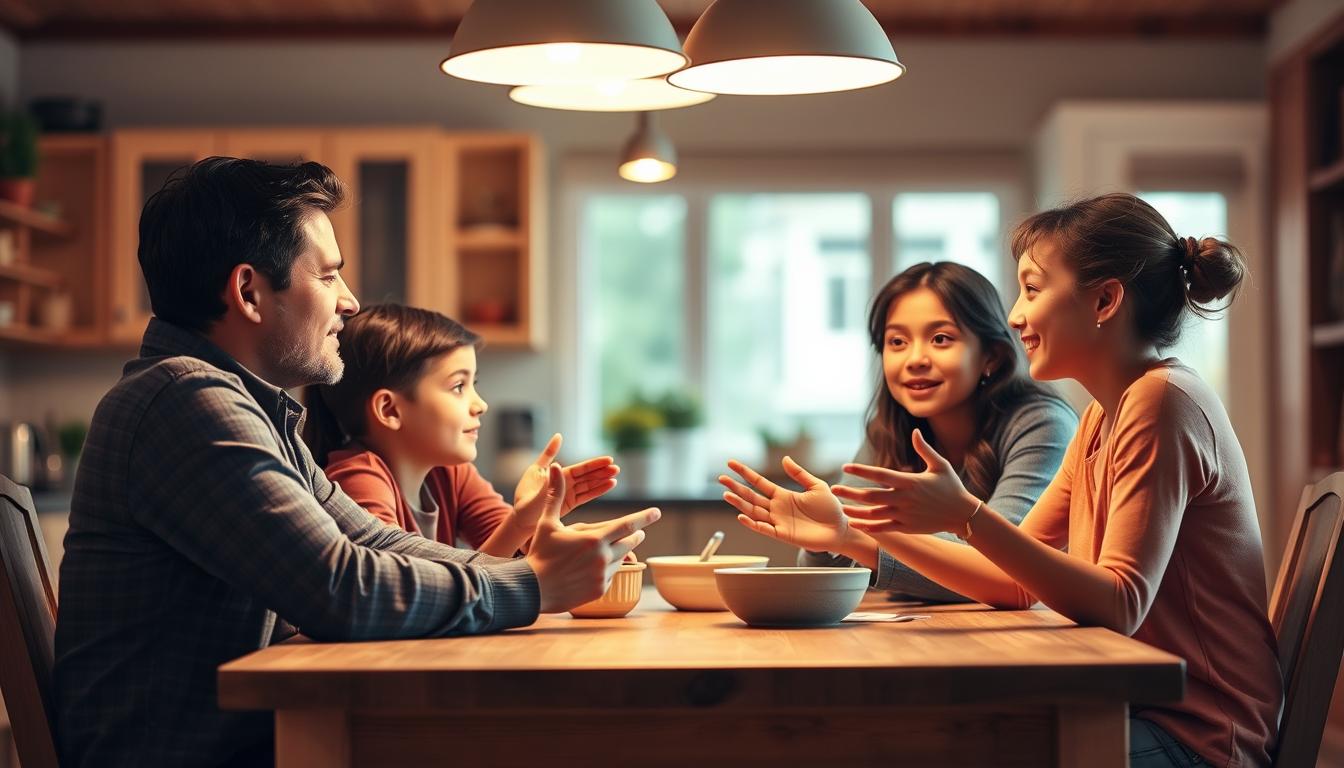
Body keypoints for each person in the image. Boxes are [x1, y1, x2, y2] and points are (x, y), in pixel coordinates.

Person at [53, 158, 659, 768]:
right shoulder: (186, 400)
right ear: (247, 292)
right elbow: (341, 588)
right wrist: (531, 584)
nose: (350, 302)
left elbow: (376, 542)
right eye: (328, 276)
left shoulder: (251, 411)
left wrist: (534, 570)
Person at [726, 193, 1281, 767]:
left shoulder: (1162, 400)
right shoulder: (1102, 414)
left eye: (1033, 290)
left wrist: (965, 515)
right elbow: (1012, 582)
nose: (1015, 315)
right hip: (1131, 709)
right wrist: (853, 529)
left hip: (1197, 732)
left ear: (1106, 299)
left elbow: (1121, 604)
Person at [732, 262, 1076, 601]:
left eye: (940, 339)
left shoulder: (1042, 424)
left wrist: (850, 539)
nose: (915, 359)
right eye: (897, 342)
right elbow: (829, 561)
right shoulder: (887, 429)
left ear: (992, 357)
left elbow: (1007, 572)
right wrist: (823, 539)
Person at [301, 303, 619, 555]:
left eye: (473, 384)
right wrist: (519, 525)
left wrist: (558, 534)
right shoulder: (358, 479)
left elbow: (514, 555)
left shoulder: (450, 473)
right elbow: (408, 587)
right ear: (390, 410)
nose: (480, 404)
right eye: (458, 386)